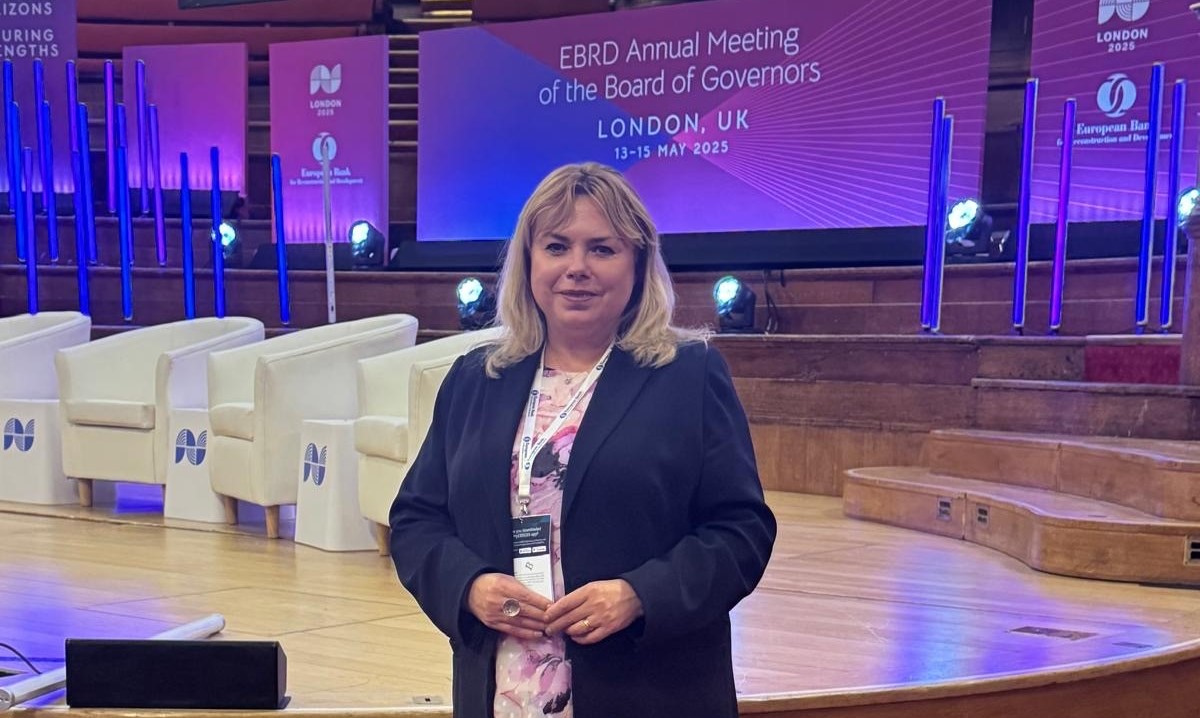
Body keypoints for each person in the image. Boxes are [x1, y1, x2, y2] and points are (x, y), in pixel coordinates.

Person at [389, 162, 776, 718]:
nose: (576, 268)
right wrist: (469, 586)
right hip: (506, 690)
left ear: (637, 263)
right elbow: (416, 521)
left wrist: (640, 595)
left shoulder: (689, 375)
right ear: (528, 262)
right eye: (556, 247)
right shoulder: (476, 379)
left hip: (647, 690)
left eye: (602, 249)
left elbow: (742, 532)